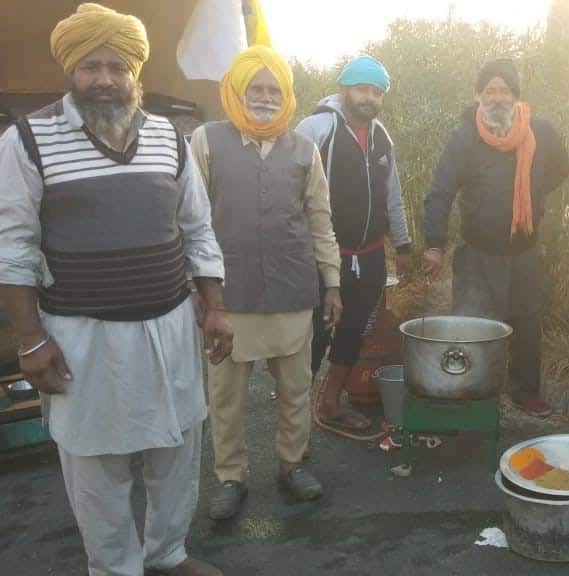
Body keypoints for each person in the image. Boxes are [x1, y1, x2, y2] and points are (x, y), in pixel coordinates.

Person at [0, 4, 230, 574]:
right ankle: (113, 567)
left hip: (170, 326)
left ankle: (168, 554)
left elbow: (198, 228)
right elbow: (13, 245)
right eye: (90, 66)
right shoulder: (26, 141)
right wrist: (30, 339)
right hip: (82, 335)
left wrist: (216, 309)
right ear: (70, 71)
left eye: (117, 67)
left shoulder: (169, 138)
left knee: (176, 449)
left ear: (135, 74)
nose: (104, 79)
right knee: (94, 464)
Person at [192, 46, 343, 521]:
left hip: (292, 291)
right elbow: (189, 220)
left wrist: (332, 283)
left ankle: (290, 465)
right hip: (227, 297)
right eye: (255, 88)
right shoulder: (207, 139)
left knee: (296, 388)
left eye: (273, 89)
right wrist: (194, 289)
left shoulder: (303, 148)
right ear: (237, 90)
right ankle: (230, 477)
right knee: (226, 397)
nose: (264, 96)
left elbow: (320, 217)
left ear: (286, 95)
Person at [422, 58, 569, 417]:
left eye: (505, 90)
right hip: (477, 254)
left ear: (516, 95)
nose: (498, 97)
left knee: (527, 323)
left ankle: (525, 392)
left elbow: (561, 169)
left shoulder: (541, 131)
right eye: (490, 90)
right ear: (479, 95)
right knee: (470, 326)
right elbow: (441, 191)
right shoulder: (464, 136)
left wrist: (531, 196)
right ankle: (468, 394)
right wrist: (434, 244)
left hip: (524, 250)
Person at [297, 55, 412, 433]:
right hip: (324, 256)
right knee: (314, 336)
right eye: (362, 89)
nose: (369, 98)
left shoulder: (382, 137)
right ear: (345, 89)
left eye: (377, 92)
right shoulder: (317, 128)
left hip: (371, 255)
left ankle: (329, 402)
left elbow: (391, 194)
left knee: (355, 331)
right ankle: (294, 423)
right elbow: (289, 187)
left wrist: (404, 244)